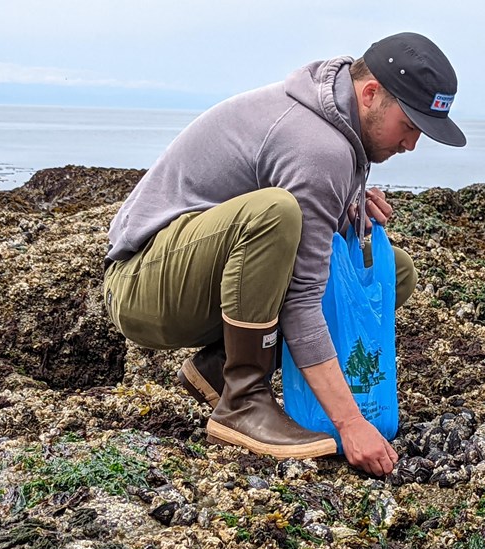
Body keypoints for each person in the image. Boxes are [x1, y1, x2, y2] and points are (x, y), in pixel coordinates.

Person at [103, 32, 466, 477]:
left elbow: (304, 247)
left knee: (393, 273)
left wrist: (345, 202)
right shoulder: (318, 145)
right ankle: (242, 401)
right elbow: (300, 299)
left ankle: (219, 367)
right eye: (409, 126)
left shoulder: (339, 123)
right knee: (275, 214)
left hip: (194, 276)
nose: (412, 144)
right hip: (142, 285)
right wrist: (349, 424)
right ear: (370, 93)